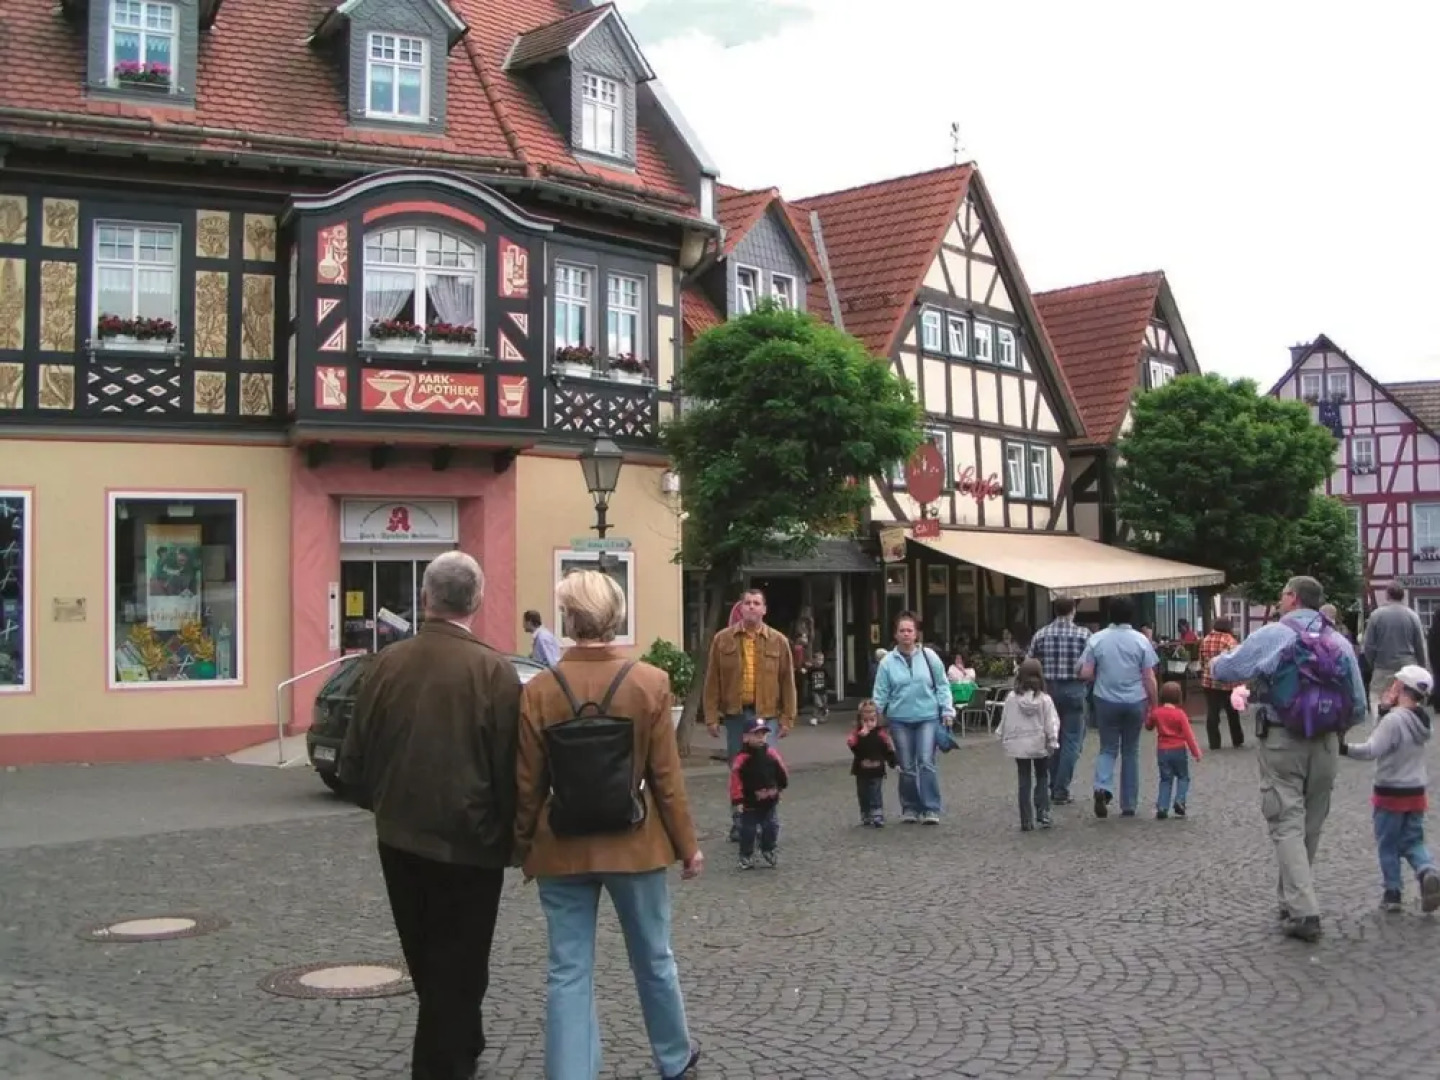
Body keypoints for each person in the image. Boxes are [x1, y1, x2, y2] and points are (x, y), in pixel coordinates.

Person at [514, 570, 703, 1080]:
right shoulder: (650, 683)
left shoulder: (540, 690)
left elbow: (528, 781)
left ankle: (571, 1072)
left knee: (568, 969)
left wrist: (522, 845)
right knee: (654, 958)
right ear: (614, 617)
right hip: (635, 845)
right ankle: (673, 1057)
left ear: (568, 619)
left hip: (562, 846)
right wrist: (688, 845)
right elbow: (666, 778)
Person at [338, 552, 520, 1080]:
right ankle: (445, 1063)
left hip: (400, 836)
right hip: (471, 842)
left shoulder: (385, 664)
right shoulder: (494, 670)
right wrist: (512, 837)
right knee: (461, 962)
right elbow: (511, 766)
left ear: (425, 599)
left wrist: (386, 803)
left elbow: (353, 759)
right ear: (478, 601)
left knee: (426, 954)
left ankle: (461, 1040)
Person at [1211, 575, 1367, 943]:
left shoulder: (1274, 635)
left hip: (1282, 739)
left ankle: (1304, 911)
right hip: (1327, 742)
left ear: (1293, 598)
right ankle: (1292, 899)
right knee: (1309, 825)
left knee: (1285, 821)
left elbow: (1227, 670)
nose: (1280, 601)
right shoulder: (1338, 641)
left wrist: (1218, 656)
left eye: (1282, 594)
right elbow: (1359, 706)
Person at [1339, 664, 1440, 914]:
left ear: (1404, 688)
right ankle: (1428, 871)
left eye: (1395, 684)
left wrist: (1343, 748)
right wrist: (1384, 710)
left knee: (1388, 844)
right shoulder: (1422, 720)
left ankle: (1392, 893)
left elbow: (1372, 749)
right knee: (1412, 839)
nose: (1391, 687)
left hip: (1390, 792)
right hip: (1416, 791)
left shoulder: (1394, 720)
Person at [703, 588, 797, 842]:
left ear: (764, 609)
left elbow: (788, 681)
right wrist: (711, 716)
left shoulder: (778, 640)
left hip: (767, 714)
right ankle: (740, 820)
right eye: (747, 603)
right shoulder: (723, 640)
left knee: (766, 767)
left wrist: (789, 716)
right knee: (739, 768)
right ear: (740, 609)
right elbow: (712, 680)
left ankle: (767, 818)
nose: (752, 607)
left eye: (757, 603)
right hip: (735, 715)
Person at [1078, 596, 1159, 820]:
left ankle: (1102, 786)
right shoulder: (1141, 641)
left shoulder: (1097, 639)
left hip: (1105, 699)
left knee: (1108, 748)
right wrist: (1154, 705)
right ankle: (1129, 804)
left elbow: (1085, 673)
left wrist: (1098, 676)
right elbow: (1149, 677)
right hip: (1135, 700)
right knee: (1131, 751)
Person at [872, 611, 956, 825]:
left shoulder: (929, 657)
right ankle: (910, 806)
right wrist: (875, 715)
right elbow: (880, 692)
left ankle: (930, 808)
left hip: (927, 716)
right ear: (896, 634)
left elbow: (942, 684)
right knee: (907, 766)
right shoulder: (887, 663)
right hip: (899, 719)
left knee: (926, 762)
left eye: (910, 630)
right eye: (902, 631)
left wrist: (947, 710)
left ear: (916, 633)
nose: (906, 634)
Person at [1026, 597, 1091, 805]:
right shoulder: (1084, 635)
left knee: (1050, 738)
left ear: (1054, 610)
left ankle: (1053, 783)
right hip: (1074, 688)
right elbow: (1092, 664)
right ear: (1073, 610)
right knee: (1072, 740)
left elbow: (1029, 663)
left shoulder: (1041, 634)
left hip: (1048, 690)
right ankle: (1061, 788)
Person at [997, 658, 1060, 831]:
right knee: (1042, 776)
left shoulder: (1011, 698)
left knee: (1023, 778)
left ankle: (1026, 820)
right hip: (1039, 744)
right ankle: (1043, 812)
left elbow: (1005, 720)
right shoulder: (1045, 700)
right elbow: (1051, 723)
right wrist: (1052, 741)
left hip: (1019, 745)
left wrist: (1002, 736)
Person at [729, 716, 789, 869]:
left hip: (769, 800)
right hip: (749, 803)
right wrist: (738, 801)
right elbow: (736, 781)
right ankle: (746, 854)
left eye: (763, 734)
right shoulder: (741, 759)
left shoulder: (771, 754)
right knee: (747, 831)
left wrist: (780, 788)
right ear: (746, 737)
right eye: (756, 734)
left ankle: (768, 849)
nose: (761, 738)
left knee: (771, 827)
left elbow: (781, 771)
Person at [1362, 584, 1428, 714]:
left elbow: (1368, 645)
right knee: (1407, 703)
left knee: (1378, 700)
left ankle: (1382, 728)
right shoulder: (1412, 616)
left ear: (1387, 595)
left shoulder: (1376, 615)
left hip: (1383, 667)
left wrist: (1372, 664)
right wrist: (1422, 667)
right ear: (1402, 596)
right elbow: (1420, 644)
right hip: (1408, 667)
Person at [1146, 680, 1202, 819]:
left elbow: (1148, 726)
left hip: (1162, 750)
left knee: (1165, 779)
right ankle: (1179, 800)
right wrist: (1196, 752)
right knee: (1183, 777)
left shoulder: (1157, 713)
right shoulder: (1180, 714)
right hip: (1178, 749)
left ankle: (1162, 806)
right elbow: (1188, 735)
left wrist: (1149, 713)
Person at [848, 700, 896, 827]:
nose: (869, 723)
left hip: (877, 768)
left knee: (875, 791)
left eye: (872, 720)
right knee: (863, 792)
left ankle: (877, 813)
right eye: (866, 720)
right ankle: (865, 813)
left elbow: (888, 750)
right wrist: (861, 735)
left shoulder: (881, 734)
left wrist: (894, 763)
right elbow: (853, 746)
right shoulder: (857, 733)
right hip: (861, 769)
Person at [1199, 616, 1244, 750]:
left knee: (1212, 712)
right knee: (1232, 712)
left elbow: (1201, 660)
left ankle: (1214, 743)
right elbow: (1236, 662)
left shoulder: (1205, 640)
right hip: (1227, 683)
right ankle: (1237, 739)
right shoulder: (1230, 641)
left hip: (1209, 682)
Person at [804, 650, 830, 725]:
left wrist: (827, 686)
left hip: (823, 690)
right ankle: (818, 715)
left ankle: (818, 716)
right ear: (814, 660)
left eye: (822, 660)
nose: (820, 661)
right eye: (818, 659)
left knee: (823, 703)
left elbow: (827, 678)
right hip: (814, 690)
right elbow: (808, 678)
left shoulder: (824, 669)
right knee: (818, 703)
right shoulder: (811, 670)